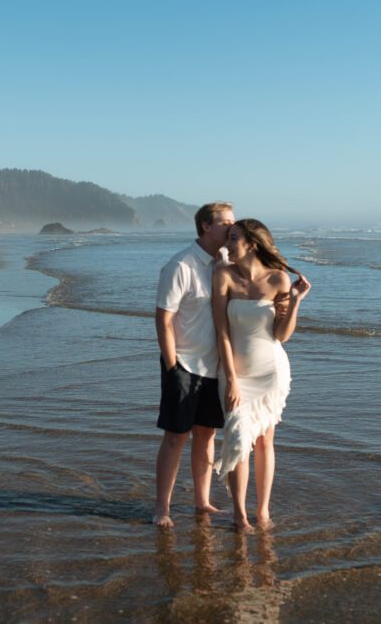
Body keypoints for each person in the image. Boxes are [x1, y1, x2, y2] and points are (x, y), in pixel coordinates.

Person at [211, 218, 311, 532]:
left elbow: (281, 335)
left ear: (252, 244)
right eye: (227, 238)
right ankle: (240, 515)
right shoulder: (223, 276)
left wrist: (293, 304)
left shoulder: (279, 280)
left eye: (233, 238)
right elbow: (222, 333)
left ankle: (263, 511)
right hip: (236, 374)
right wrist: (232, 379)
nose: (227, 244)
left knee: (265, 441)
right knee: (239, 439)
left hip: (272, 371)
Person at [153, 202, 235, 527]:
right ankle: (162, 507)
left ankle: (203, 502)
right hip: (184, 364)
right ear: (206, 226)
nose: (233, 227)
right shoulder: (180, 265)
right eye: (226, 222)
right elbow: (163, 319)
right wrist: (172, 368)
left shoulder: (226, 264)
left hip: (214, 367)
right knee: (176, 437)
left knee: (207, 435)